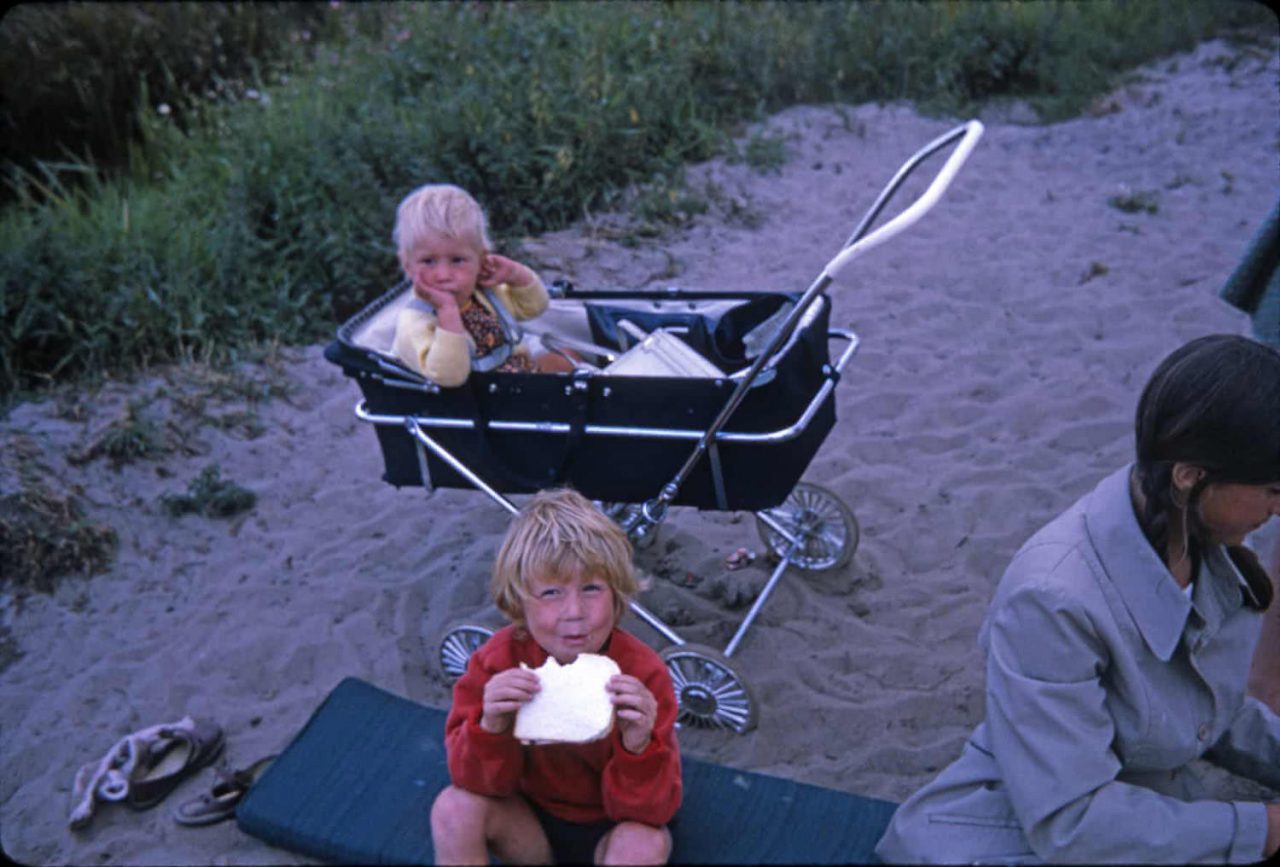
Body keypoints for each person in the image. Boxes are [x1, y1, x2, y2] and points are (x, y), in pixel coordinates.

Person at [876, 334, 1280, 864]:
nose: (1279, 508)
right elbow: (1072, 822)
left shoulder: (1202, 539)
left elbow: (1207, 710)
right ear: (1190, 476)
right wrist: (1262, 828)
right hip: (1019, 840)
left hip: (1144, 817)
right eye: (1274, 489)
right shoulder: (1052, 602)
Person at [429, 488, 682, 865]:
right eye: (551, 592)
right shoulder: (498, 663)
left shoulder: (641, 675)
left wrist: (637, 746)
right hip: (528, 821)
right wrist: (491, 726)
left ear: (617, 595)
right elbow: (475, 782)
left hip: (609, 827)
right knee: (453, 809)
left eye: (591, 588)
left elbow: (654, 811)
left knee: (645, 844)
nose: (573, 612)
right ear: (518, 603)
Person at [391, 183, 561, 387]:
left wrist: (515, 274)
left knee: (568, 358)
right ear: (407, 265)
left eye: (457, 260)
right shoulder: (414, 323)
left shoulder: (483, 293)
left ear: (481, 259)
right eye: (428, 261)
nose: (443, 275)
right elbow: (450, 376)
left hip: (520, 375)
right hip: (480, 401)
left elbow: (535, 307)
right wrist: (447, 311)